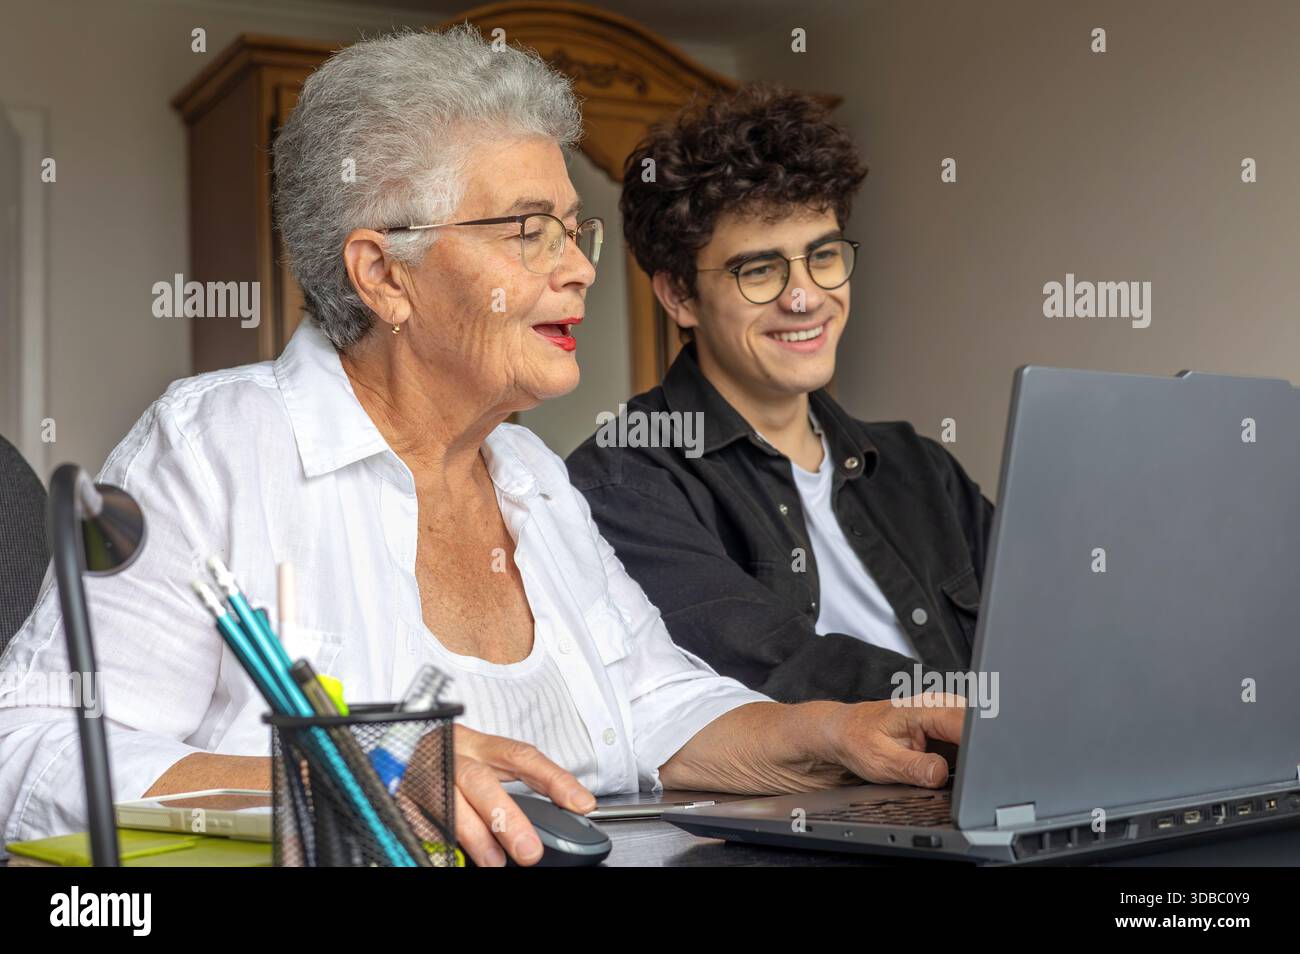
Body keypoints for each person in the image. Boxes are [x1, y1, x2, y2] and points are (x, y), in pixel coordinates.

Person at [0, 27, 962, 867]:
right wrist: (352, 775)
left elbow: (659, 709)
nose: (581, 267)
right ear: (384, 274)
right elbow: (29, 751)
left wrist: (842, 730)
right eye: (530, 233)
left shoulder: (534, 476)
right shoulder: (216, 446)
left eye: (574, 230)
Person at [567, 85, 994, 704]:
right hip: (823, 795)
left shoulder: (922, 469)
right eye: (760, 270)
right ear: (679, 296)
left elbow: (1045, 629)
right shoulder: (623, 482)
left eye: (822, 255)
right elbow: (774, 669)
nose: (805, 297)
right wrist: (983, 714)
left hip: (987, 785)